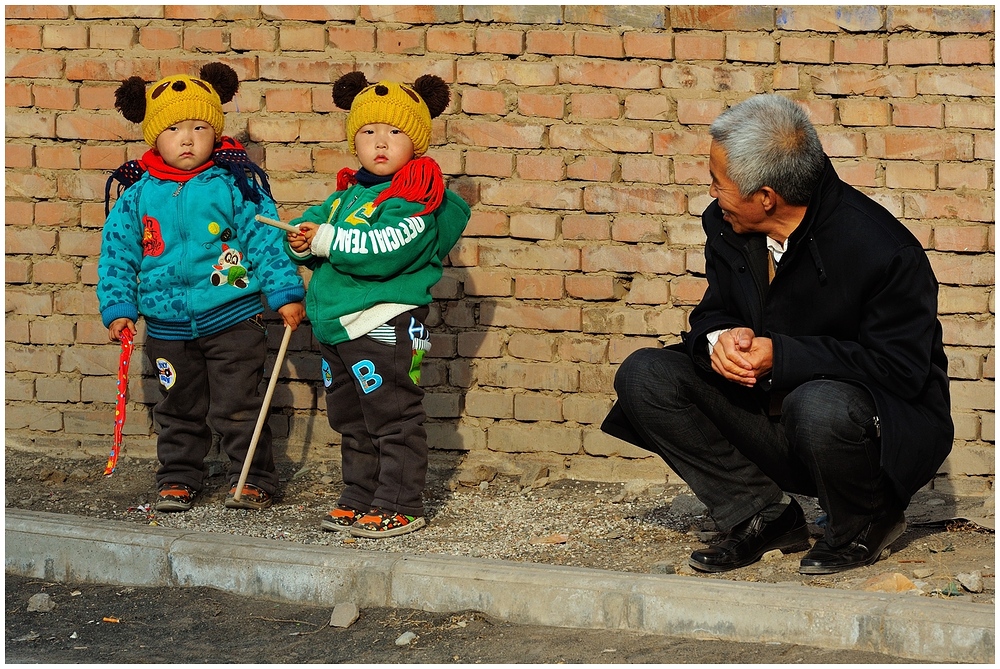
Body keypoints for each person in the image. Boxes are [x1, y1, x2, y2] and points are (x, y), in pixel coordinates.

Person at [602, 94, 953, 575]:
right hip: (770, 418)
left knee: (819, 404)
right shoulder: (728, 226)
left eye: (717, 182)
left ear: (766, 196)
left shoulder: (882, 249)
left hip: (865, 435)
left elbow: (902, 370)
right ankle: (761, 515)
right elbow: (713, 312)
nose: (711, 194)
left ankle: (865, 519)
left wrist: (781, 356)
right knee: (645, 375)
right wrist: (719, 340)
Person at [98, 63, 306, 513]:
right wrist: (118, 307)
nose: (187, 139)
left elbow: (266, 239)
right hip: (167, 324)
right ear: (154, 134)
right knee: (177, 407)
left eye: (199, 127)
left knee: (237, 405)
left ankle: (251, 476)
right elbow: (117, 254)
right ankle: (178, 477)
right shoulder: (137, 195)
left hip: (234, 317)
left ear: (216, 132)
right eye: (174, 128)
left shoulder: (235, 184)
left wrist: (285, 293)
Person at [284, 72, 470, 538]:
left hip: (384, 321)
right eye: (368, 132)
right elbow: (311, 226)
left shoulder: (415, 199)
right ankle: (360, 493)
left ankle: (401, 501)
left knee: (393, 413)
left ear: (417, 141)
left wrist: (326, 240)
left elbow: (384, 249)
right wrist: (303, 239)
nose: (380, 142)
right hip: (338, 325)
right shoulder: (345, 195)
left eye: (394, 132)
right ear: (355, 141)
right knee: (350, 417)